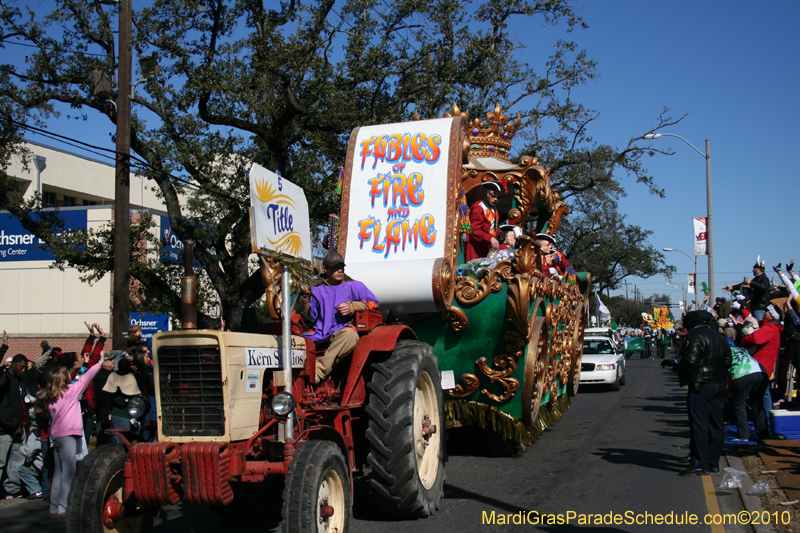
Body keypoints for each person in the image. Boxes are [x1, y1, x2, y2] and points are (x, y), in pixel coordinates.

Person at [38, 353, 101, 515]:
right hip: (69, 435)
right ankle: (64, 506)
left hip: (56, 436)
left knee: (58, 472)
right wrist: (99, 362)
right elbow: (87, 377)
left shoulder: (51, 397)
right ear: (63, 380)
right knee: (69, 472)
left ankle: (54, 506)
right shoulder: (71, 392)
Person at [302, 252, 379, 382]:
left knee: (350, 335)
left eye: (341, 266)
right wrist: (305, 298)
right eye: (335, 267)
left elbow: (374, 303)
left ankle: (319, 371)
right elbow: (311, 316)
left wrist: (352, 307)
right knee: (293, 338)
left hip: (341, 331)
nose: (340, 270)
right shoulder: (315, 288)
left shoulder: (354, 285)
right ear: (325, 269)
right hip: (317, 332)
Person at [673, 310, 731, 475]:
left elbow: (691, 361)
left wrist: (680, 370)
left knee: (699, 425)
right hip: (719, 384)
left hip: (701, 385)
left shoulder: (695, 337)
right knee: (716, 424)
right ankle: (714, 461)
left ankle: (700, 462)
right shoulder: (718, 336)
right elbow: (728, 359)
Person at [741, 304, 784, 438]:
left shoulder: (770, 328)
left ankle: (767, 427)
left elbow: (755, 338)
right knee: (762, 395)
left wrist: (744, 340)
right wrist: (744, 310)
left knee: (762, 397)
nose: (764, 312)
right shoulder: (770, 327)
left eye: (767, 311)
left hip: (760, 366)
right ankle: (767, 426)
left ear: (772, 314)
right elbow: (752, 320)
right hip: (762, 365)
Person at [0, 353, 29, 498]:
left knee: (17, 460)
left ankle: (12, 488)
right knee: (1, 461)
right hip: (6, 430)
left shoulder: (19, 380)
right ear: (13, 364)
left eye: (25, 368)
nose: (23, 370)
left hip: (20, 427)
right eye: (21, 367)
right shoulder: (4, 380)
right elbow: (3, 408)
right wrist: (12, 425)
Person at [728, 346, 768, 442]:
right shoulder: (741, 349)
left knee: (739, 405)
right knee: (757, 404)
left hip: (743, 373)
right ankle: (763, 435)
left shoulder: (722, 350)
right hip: (761, 372)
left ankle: (743, 436)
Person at [465, 182, 503, 262]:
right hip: (477, 248)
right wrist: (490, 238)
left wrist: (501, 233)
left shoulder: (494, 209)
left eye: (498, 197)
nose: (495, 199)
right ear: (487, 194)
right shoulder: (479, 207)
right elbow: (475, 231)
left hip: (488, 247)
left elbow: (492, 227)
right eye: (493, 195)